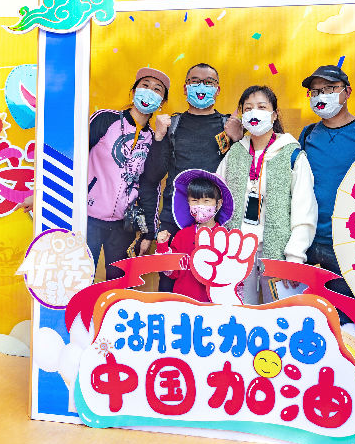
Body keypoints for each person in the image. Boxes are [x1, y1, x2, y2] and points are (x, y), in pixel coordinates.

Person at [138, 63, 243, 292]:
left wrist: (237, 139)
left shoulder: (228, 125)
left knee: (213, 289)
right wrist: (159, 136)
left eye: (208, 82)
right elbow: (153, 175)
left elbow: (242, 175)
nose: (201, 86)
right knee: (169, 289)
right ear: (185, 88)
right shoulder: (172, 125)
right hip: (174, 221)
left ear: (218, 89)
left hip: (215, 222)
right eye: (195, 81)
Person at [216, 85, 317, 305]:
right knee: (239, 311)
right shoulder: (235, 152)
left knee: (278, 313)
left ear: (274, 114)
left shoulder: (292, 154)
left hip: (278, 251)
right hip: (237, 249)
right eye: (248, 108)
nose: (254, 113)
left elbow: (305, 209)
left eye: (262, 107)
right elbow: (218, 197)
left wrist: (295, 257)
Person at [299, 64, 355, 318]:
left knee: (352, 322)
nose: (321, 96)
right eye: (315, 91)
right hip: (311, 244)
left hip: (352, 245)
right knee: (314, 320)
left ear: (347, 92)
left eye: (330, 88)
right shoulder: (307, 134)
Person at [87, 67, 171, 281]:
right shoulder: (106, 119)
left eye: (157, 89)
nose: (149, 91)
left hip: (123, 225)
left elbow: (151, 185)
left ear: (162, 102)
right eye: (145, 86)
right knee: (80, 278)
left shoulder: (154, 138)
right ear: (133, 92)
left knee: (119, 284)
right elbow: (74, 157)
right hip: (87, 218)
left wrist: (148, 233)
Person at [155, 169, 234, 302]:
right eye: (195, 200)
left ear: (218, 203)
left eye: (206, 200)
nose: (200, 206)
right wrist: (162, 246)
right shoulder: (182, 235)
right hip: (184, 304)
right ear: (188, 203)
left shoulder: (226, 237)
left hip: (214, 305)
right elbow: (172, 272)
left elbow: (231, 275)